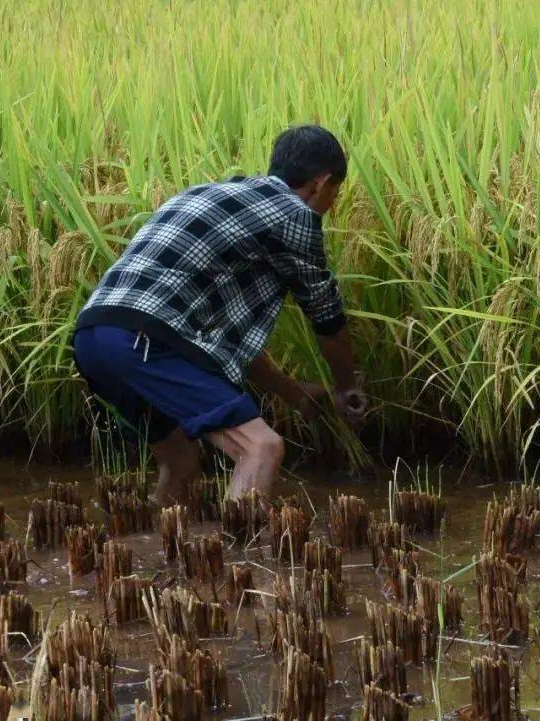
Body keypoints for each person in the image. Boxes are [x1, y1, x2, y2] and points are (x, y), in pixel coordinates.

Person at [72, 125, 367, 505]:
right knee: (261, 447)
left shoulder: (205, 193)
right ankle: (238, 558)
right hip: (147, 341)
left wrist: (292, 393)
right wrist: (346, 386)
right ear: (320, 183)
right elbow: (326, 315)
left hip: (95, 336)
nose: (332, 205)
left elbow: (216, 343)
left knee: (180, 459)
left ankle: (154, 552)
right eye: (335, 194)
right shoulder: (293, 213)